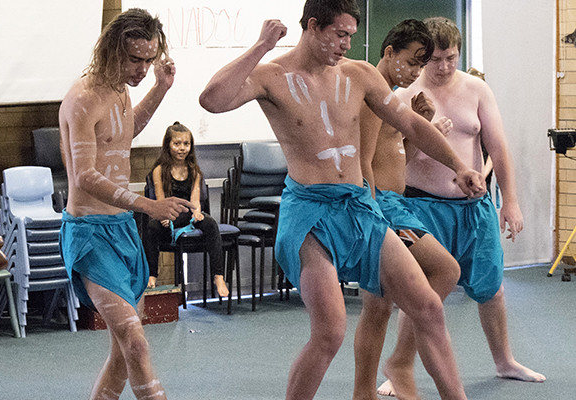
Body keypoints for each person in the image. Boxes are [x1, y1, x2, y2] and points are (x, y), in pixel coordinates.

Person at [200, 1, 486, 398]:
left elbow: (411, 124)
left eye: (351, 35)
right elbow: (212, 100)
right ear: (313, 26)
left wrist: (459, 165)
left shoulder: (360, 74)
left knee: (429, 307)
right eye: (339, 34)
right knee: (330, 332)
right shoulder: (271, 76)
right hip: (310, 214)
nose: (347, 44)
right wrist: (262, 46)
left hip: (359, 207)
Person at [395, 16, 545, 385]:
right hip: (421, 207)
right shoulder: (404, 95)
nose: (444, 67)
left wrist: (510, 201)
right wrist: (425, 134)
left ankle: (505, 361)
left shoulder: (477, 89)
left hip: (473, 208)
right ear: (423, 57)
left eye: (451, 58)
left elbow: (498, 147)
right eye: (435, 60)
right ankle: (401, 368)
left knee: (491, 288)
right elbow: (392, 160)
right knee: (420, 289)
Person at [58, 9, 192, 399]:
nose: (142, 69)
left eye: (149, 60)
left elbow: (124, 132)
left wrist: (161, 88)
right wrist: (147, 206)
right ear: (111, 50)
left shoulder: (120, 88)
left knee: (122, 352)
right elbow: (84, 175)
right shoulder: (83, 98)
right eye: (135, 59)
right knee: (134, 341)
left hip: (122, 231)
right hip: (90, 234)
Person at [348, 19, 464, 400]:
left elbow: (400, 158)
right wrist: (372, 215)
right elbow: (364, 164)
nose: (416, 72)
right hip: (382, 207)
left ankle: (367, 389)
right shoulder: (372, 95)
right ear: (389, 52)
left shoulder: (392, 98)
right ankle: (399, 362)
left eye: (421, 65)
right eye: (413, 62)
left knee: (378, 307)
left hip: (395, 202)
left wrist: (422, 123)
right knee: (445, 269)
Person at [143, 121, 229, 297]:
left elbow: (195, 199)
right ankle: (152, 274)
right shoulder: (159, 170)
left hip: (186, 215)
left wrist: (196, 212)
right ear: (168, 145)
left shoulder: (194, 170)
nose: (182, 148)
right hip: (169, 214)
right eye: (177, 143)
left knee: (211, 224)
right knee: (151, 227)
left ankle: (218, 276)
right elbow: (160, 199)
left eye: (186, 144)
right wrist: (163, 216)